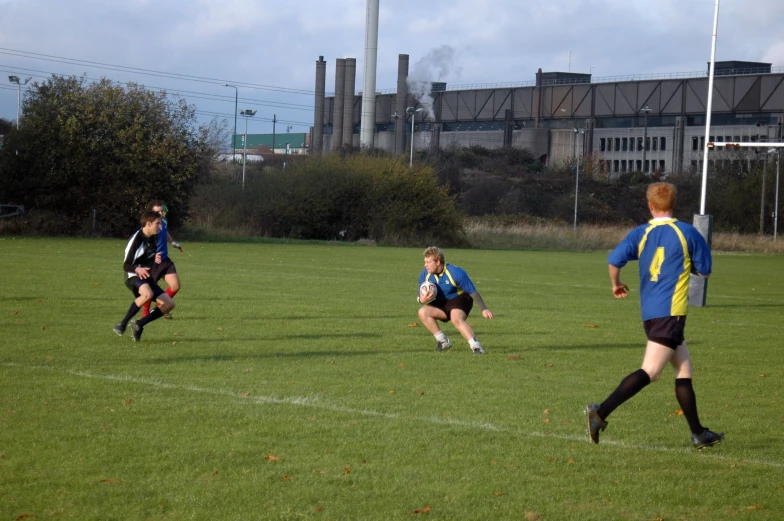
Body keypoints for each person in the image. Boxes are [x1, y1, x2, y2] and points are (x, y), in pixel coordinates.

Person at [585, 182, 723, 449]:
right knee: (651, 372)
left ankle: (699, 434)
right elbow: (704, 271)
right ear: (674, 204)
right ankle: (600, 413)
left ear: (650, 205)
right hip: (671, 313)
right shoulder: (687, 232)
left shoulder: (641, 233)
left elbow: (614, 261)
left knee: (684, 371)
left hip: (650, 313)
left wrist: (616, 284)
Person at [417, 246, 494, 355]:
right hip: (442, 301)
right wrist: (422, 299)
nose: (425, 265)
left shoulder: (456, 272)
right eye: (425, 262)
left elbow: (473, 292)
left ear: (438, 262)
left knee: (456, 318)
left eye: (428, 262)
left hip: (460, 298)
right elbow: (419, 296)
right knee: (422, 312)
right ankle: (443, 342)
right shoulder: (425, 274)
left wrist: (484, 309)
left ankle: (476, 347)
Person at [113, 210, 175, 342]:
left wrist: (154, 258)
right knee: (147, 294)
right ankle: (122, 324)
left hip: (146, 277)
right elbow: (126, 265)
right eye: (158, 224)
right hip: (133, 276)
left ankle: (139, 324)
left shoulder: (154, 236)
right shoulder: (136, 239)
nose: (160, 226)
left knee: (169, 304)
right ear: (148, 223)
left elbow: (147, 255)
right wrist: (137, 269)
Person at [141, 200, 183, 319]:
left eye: (161, 210)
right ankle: (145, 313)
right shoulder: (148, 225)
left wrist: (173, 243)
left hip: (165, 260)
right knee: (149, 288)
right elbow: (143, 243)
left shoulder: (163, 220)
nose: (161, 213)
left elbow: (165, 231)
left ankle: (161, 304)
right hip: (153, 262)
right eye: (157, 211)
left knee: (175, 286)